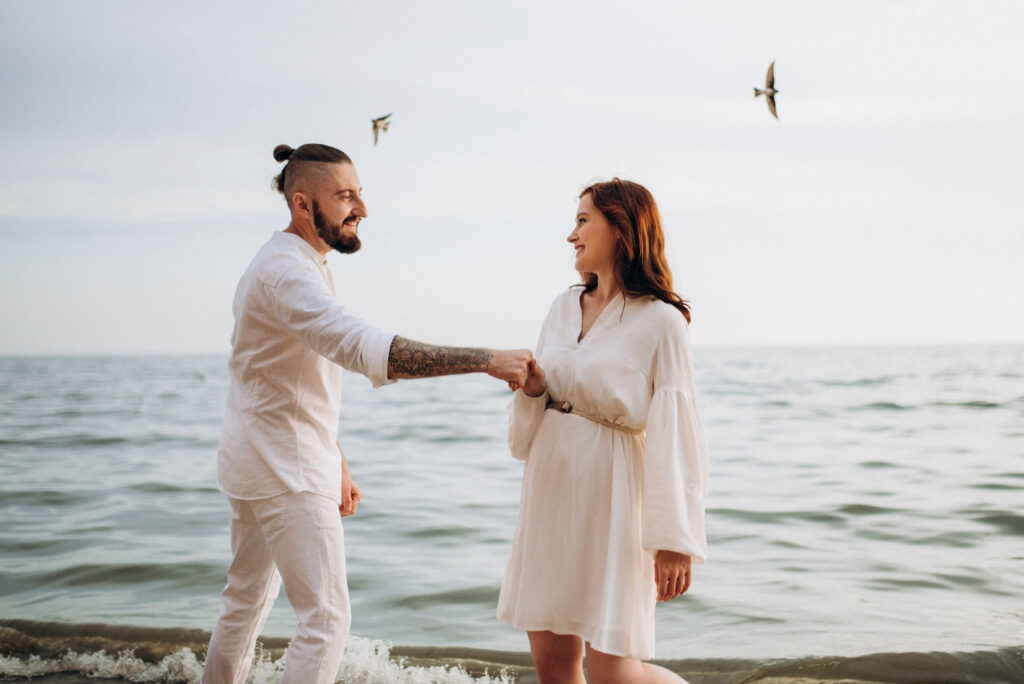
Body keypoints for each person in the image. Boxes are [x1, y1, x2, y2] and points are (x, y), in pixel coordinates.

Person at [202, 143, 533, 684]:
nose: (361, 208)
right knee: (326, 620)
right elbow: (365, 348)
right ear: (304, 204)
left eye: (360, 193)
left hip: (258, 458)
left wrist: (335, 456)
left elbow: (276, 379)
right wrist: (487, 360)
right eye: (346, 196)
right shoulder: (287, 274)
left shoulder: (286, 262)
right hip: (285, 468)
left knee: (245, 601)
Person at [496, 179, 709, 684]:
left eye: (582, 220)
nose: (572, 235)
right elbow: (529, 422)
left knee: (615, 673)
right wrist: (531, 390)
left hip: (612, 492)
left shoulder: (663, 322)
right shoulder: (561, 307)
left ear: (620, 228)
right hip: (550, 484)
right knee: (553, 665)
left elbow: (676, 431)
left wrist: (673, 538)